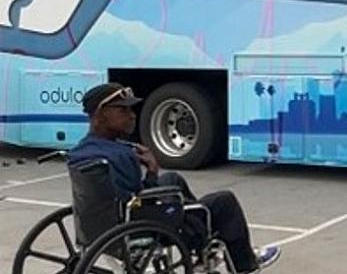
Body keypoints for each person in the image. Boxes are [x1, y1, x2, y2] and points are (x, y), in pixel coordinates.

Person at [68, 84, 280, 273]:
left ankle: (198, 233)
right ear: (99, 115)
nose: (132, 115)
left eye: (130, 109)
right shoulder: (121, 155)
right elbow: (141, 199)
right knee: (224, 201)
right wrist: (152, 168)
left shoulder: (81, 151)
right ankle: (244, 264)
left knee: (172, 179)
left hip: (97, 229)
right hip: (137, 230)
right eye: (123, 110)